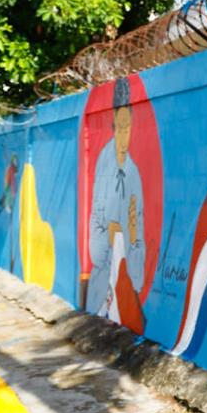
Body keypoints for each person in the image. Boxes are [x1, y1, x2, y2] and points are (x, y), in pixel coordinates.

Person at [85, 76, 145, 331]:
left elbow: (138, 227)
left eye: (128, 127)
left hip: (122, 268)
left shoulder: (133, 172)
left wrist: (129, 233)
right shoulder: (104, 164)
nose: (124, 135)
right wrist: (110, 233)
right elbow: (96, 218)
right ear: (112, 127)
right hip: (104, 271)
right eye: (119, 128)